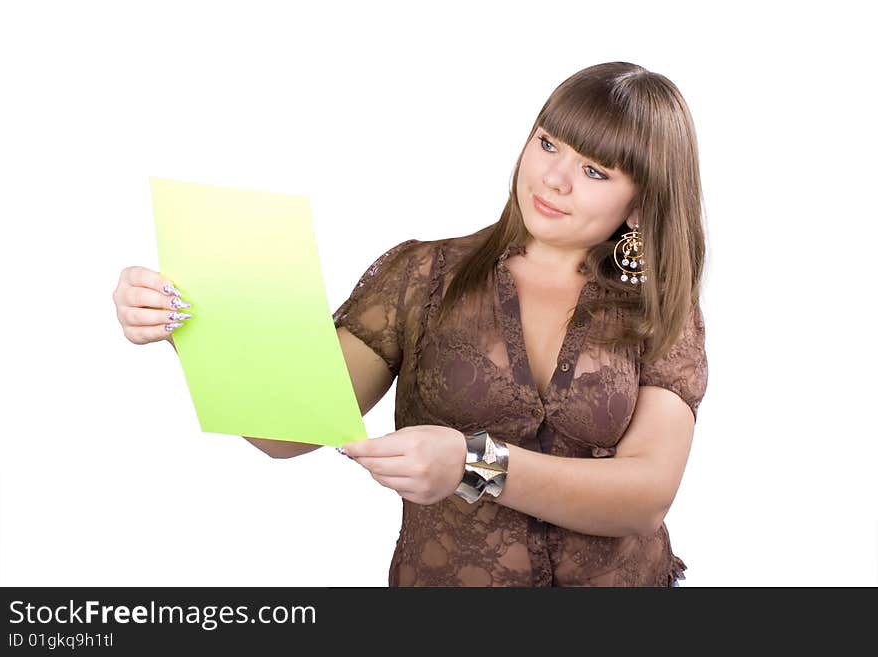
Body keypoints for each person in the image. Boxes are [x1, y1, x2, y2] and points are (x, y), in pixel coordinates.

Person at [113, 61, 707, 587]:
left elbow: (646, 497)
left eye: (595, 171)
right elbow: (287, 433)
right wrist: (188, 325)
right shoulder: (421, 277)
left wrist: (477, 463)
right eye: (548, 144)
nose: (554, 179)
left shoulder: (660, 308)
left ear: (640, 202)